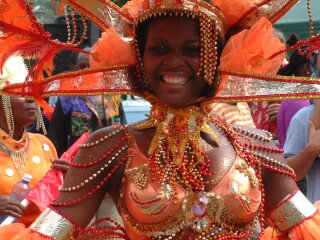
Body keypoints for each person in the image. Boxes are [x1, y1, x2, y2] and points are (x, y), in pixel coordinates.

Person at [1, 0, 320, 239]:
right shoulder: (109, 148)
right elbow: (48, 234)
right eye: (159, 48)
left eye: (194, 49)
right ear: (140, 61)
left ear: (218, 57)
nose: (174, 62)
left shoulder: (255, 148)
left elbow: (308, 230)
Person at [0, 56, 69, 227]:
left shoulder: (44, 145)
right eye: (21, 93)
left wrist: (69, 182)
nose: (31, 99)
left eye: (33, 92)